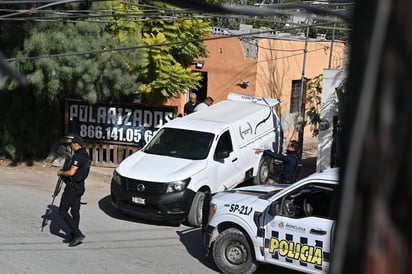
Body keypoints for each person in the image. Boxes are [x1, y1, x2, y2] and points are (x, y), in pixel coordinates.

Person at [57, 135, 90, 247]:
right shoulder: (85, 154)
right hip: (80, 187)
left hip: (73, 187)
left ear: (76, 144)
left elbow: (71, 173)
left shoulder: (78, 157)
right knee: (75, 211)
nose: (71, 145)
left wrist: (61, 173)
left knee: (62, 211)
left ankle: (77, 234)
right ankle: (73, 235)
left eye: (72, 143)